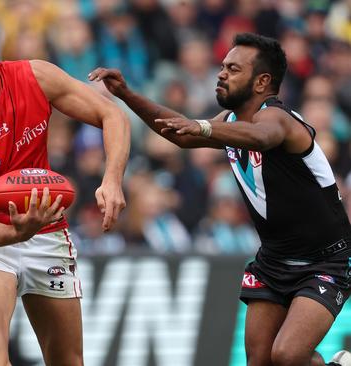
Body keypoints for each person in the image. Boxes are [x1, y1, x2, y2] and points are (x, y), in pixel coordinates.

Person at [90, 32, 351, 366]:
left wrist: (201, 128)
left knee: (286, 355)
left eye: (233, 68)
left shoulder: (279, 119)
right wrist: (126, 95)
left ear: (262, 82)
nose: (221, 73)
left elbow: (261, 137)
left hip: (324, 261)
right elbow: (178, 133)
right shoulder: (230, 122)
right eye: (223, 66)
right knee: (259, 360)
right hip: (274, 259)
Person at [0, 8, 130, 366]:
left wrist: (111, 180)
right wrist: (18, 231)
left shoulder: (35, 76)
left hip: (46, 231)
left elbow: (112, 115)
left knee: (67, 360)